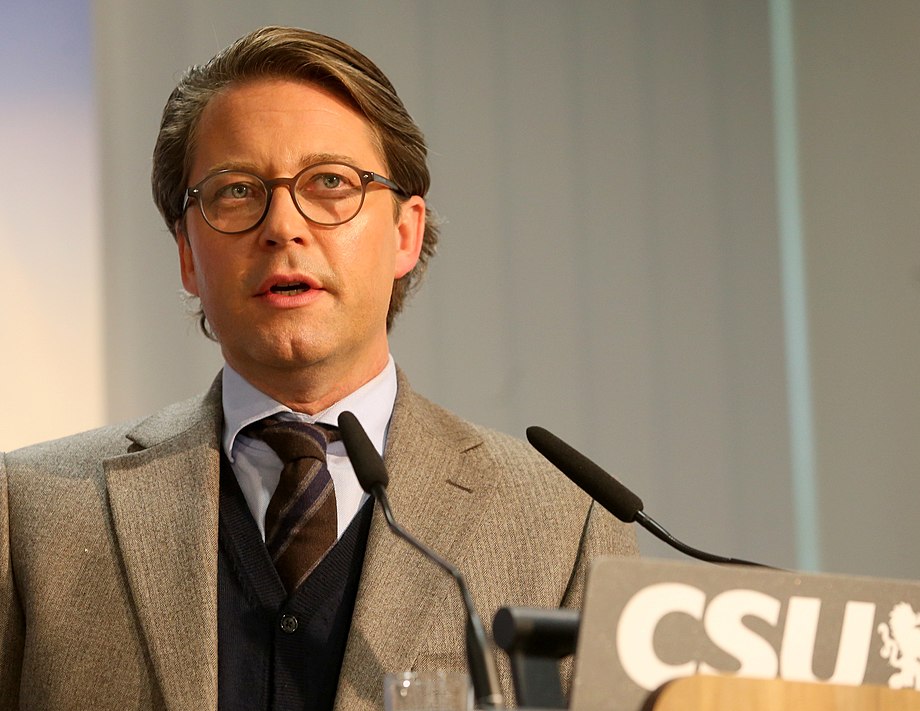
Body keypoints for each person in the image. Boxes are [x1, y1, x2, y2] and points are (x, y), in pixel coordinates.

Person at [0, 26, 637, 711]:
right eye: (237, 190)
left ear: (405, 233)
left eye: (330, 182)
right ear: (187, 254)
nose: (283, 226)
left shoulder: (563, 524)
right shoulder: (33, 510)